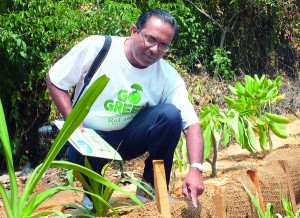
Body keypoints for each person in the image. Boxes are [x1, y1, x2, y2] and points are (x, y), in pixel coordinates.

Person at [46, 9, 205, 207]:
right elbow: (55, 79)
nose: (155, 49)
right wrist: (73, 122)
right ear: (133, 31)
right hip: (88, 138)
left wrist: (196, 169)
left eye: (163, 45)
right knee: (97, 206)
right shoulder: (98, 48)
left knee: (170, 116)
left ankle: (151, 189)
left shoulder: (167, 76)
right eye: (150, 39)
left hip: (129, 139)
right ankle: (92, 194)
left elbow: (191, 124)